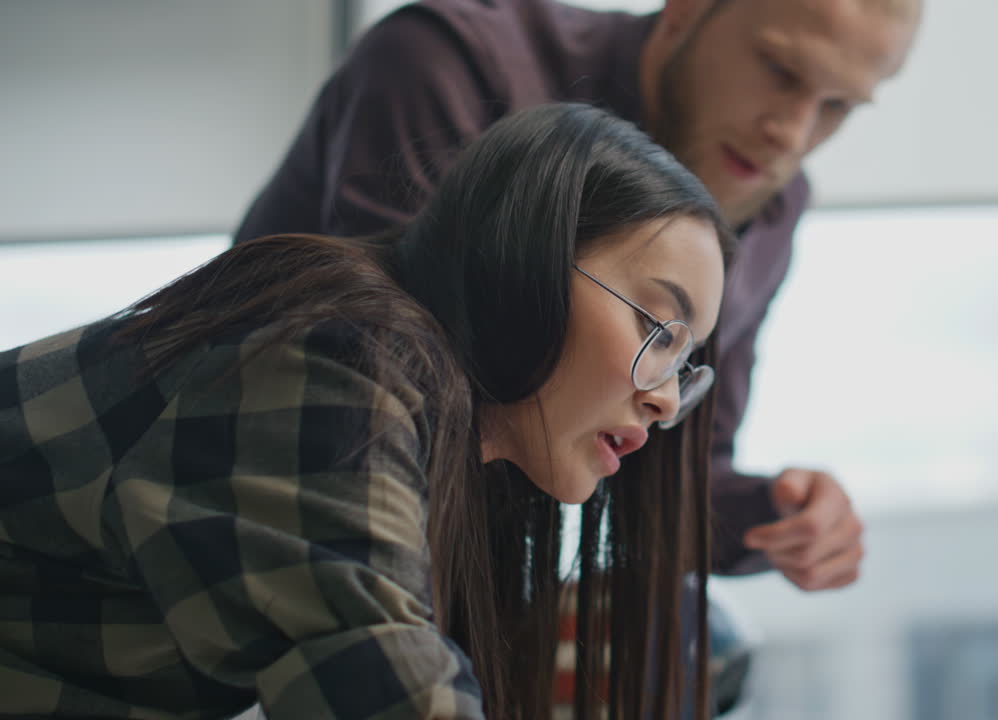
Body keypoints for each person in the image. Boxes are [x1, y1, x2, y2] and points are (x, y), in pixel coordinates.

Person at [0, 103, 733, 720]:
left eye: (686, 359)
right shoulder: (338, 352)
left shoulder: (436, 440)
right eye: (657, 330)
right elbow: (385, 687)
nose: (666, 397)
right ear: (529, 259)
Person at [235, 0, 922, 590]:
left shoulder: (771, 206)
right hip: (251, 519)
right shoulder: (454, 63)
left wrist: (779, 517)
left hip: (469, 596)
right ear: (688, 8)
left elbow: (675, 471)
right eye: (780, 70)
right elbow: (396, 391)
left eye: (837, 107)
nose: (792, 135)